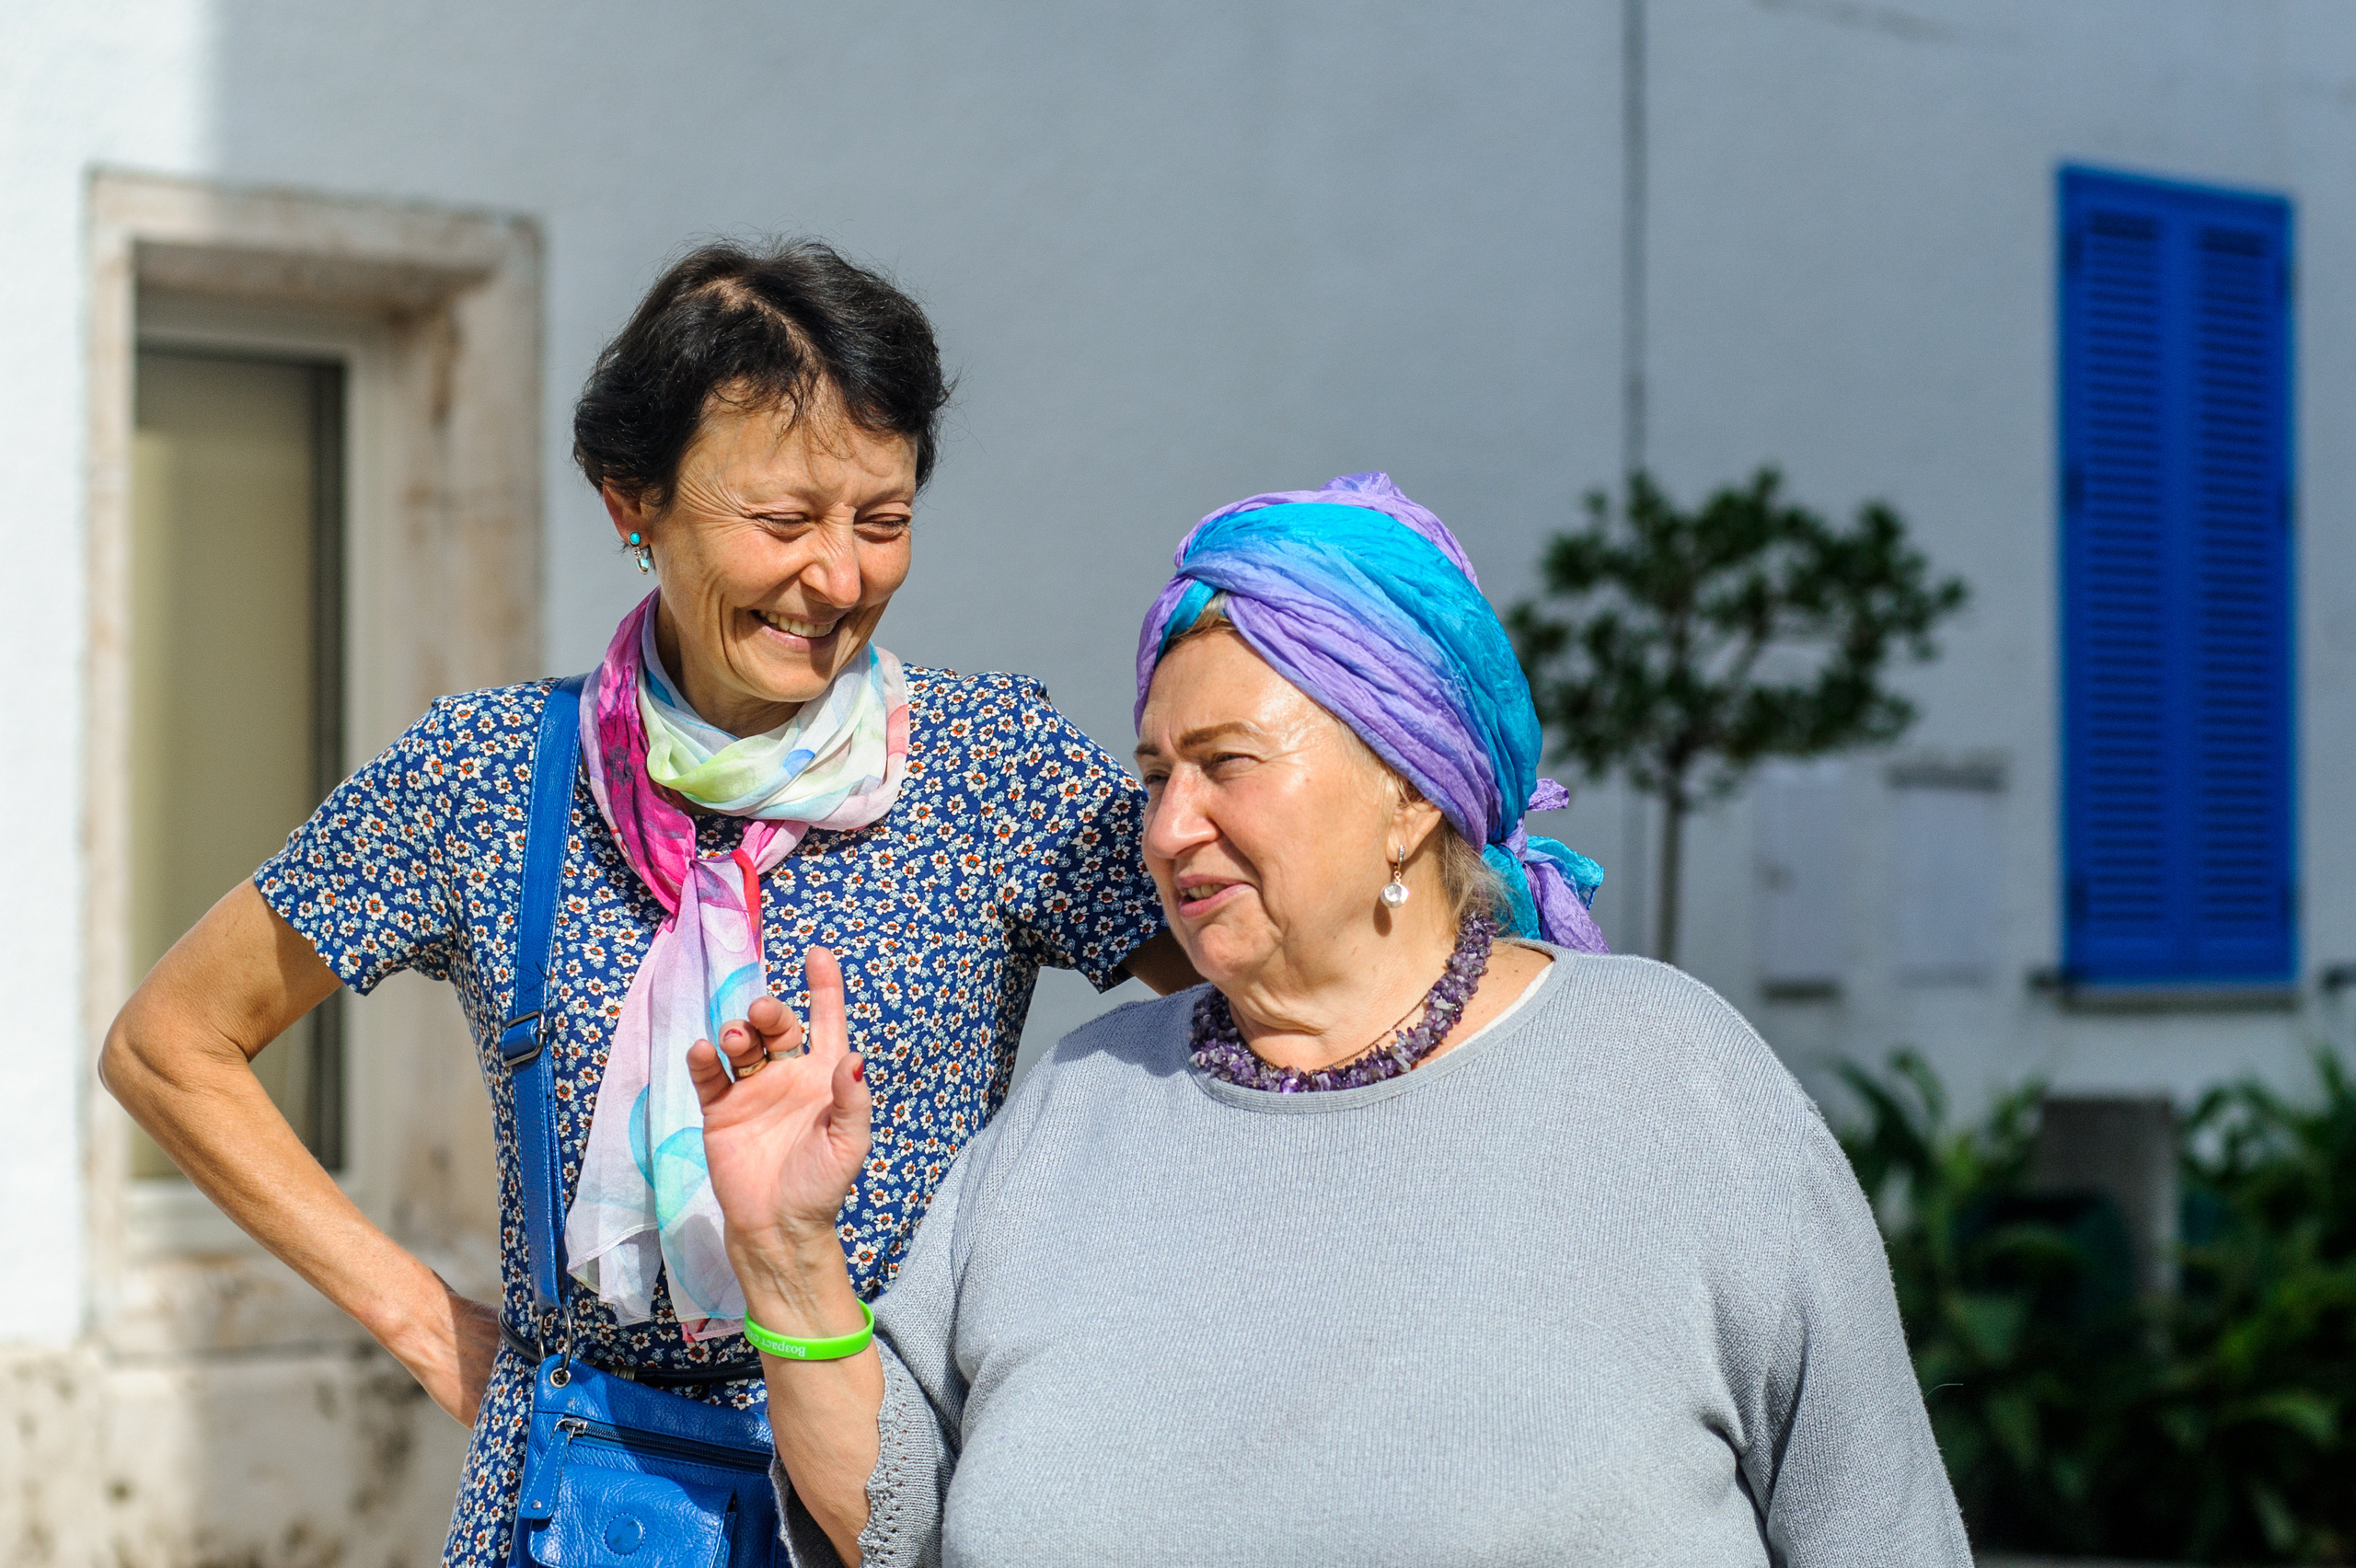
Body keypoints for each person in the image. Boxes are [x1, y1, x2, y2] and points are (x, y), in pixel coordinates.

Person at [98, 239, 1195, 1568]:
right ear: (635, 505)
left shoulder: (991, 767)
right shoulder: (491, 776)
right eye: (783, 522)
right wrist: (422, 1323)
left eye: (881, 520)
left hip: (901, 1493)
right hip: (576, 1504)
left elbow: (1259, 1029)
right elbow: (172, 1045)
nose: (837, 578)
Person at [697, 473, 1972, 1567]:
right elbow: (898, 1528)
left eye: (1226, 764)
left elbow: (1881, 1530)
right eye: (1156, 774)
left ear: (1409, 790)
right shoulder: (1079, 1107)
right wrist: (785, 1247)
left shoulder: (1671, 1080)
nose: (1168, 826)